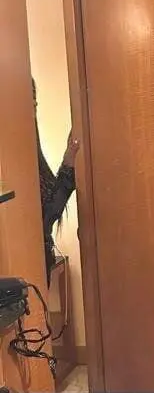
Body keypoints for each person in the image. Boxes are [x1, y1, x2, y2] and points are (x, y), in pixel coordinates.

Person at [33, 79, 79, 286]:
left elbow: (48, 211)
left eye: (34, 101)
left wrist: (70, 158)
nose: (34, 108)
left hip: (40, 259)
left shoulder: (30, 157)